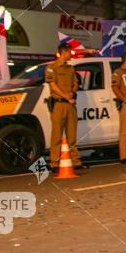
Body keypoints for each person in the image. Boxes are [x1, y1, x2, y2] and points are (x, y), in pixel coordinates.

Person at [45, 43, 83, 171]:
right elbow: (53, 86)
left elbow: (76, 84)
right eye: (69, 52)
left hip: (70, 105)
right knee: (56, 136)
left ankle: (75, 161)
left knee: (72, 136)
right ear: (63, 52)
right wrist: (67, 96)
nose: (70, 54)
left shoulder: (71, 68)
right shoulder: (52, 67)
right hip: (59, 104)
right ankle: (54, 163)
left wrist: (72, 92)